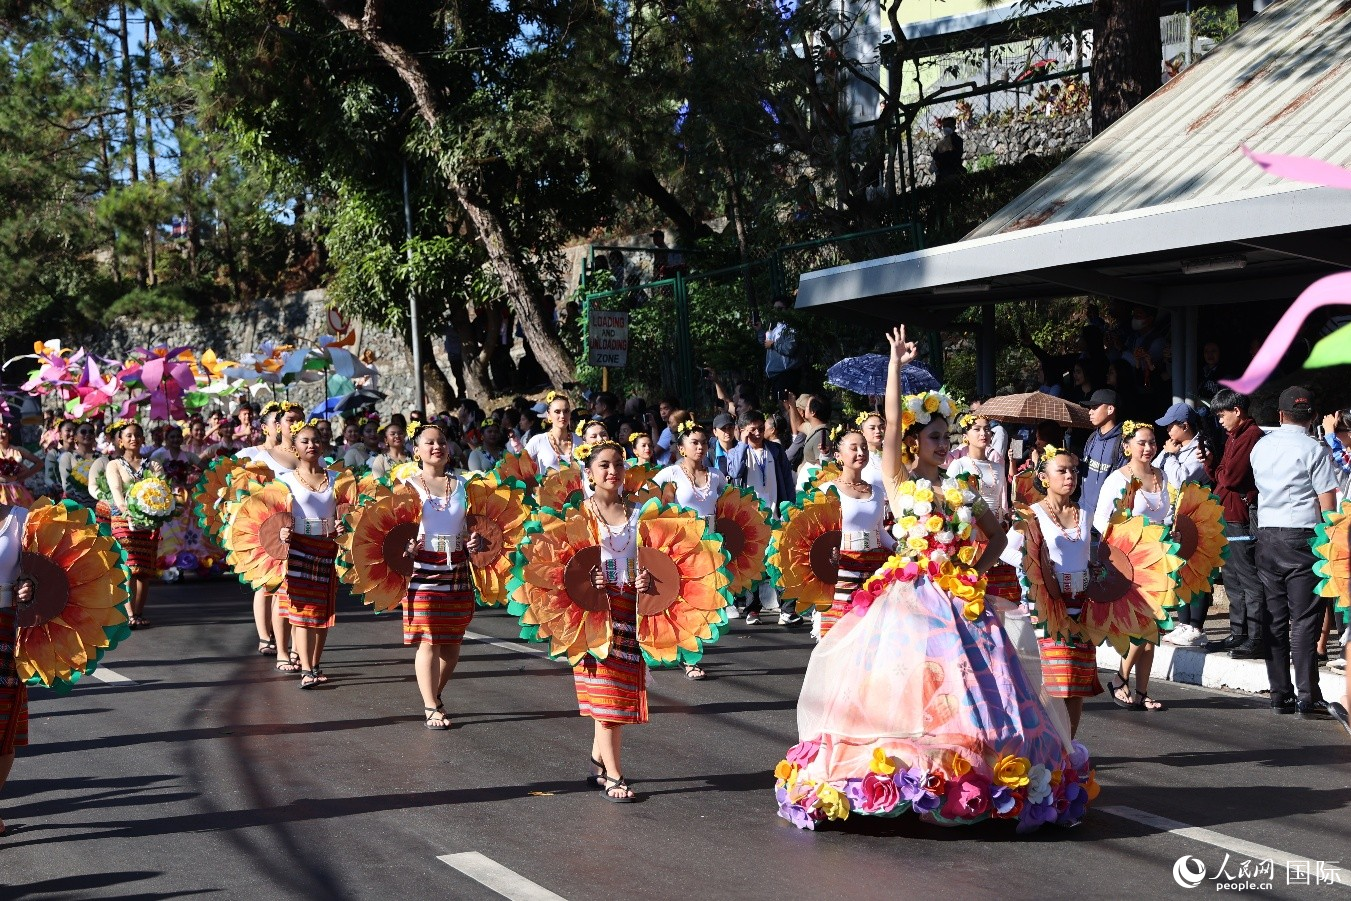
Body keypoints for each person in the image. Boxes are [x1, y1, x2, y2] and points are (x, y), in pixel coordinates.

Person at [775, 326, 1090, 831]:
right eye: (935, 437)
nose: (944, 445)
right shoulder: (899, 480)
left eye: (947, 438)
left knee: (973, 687)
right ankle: (905, 775)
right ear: (913, 442)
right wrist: (896, 363)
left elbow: (995, 536)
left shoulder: (963, 487)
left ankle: (967, 776)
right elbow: (894, 415)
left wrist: (971, 570)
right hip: (906, 597)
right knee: (901, 686)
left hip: (958, 598)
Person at [1249, 387, 1338, 719]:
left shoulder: (1262, 446)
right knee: (1304, 619)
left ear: (1281, 415)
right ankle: (1306, 694)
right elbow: (1328, 502)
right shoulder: (1315, 448)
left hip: (1267, 534)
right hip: (1302, 535)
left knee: (1275, 616)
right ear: (1313, 417)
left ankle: (1279, 694)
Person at [575, 440, 656, 802]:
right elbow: (564, 565)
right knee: (608, 699)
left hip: (630, 612)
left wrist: (647, 579)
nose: (612, 472)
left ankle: (598, 758)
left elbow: (656, 558)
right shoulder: (579, 516)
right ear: (590, 472)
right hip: (594, 614)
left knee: (619, 695)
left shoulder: (640, 512)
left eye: (618, 465)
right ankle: (614, 775)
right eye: (604, 465)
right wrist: (585, 579)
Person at [1003, 447, 1100, 738]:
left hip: (1083, 607)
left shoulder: (1085, 512)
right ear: (1044, 478)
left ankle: (1069, 749)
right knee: (1055, 682)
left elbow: (1096, 551)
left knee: (1077, 684)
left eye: (1073, 470)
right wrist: (1035, 570)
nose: (1070, 475)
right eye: (1062, 470)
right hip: (1047, 609)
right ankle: (1048, 745)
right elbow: (1008, 551)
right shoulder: (1031, 516)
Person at [400, 421, 487, 728]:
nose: (437, 447)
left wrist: (472, 539)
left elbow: (467, 527)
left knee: (452, 643)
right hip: (422, 569)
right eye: (429, 443)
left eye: (441, 442)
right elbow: (396, 528)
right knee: (428, 639)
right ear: (417, 451)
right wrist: (405, 547)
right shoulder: (406, 485)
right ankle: (430, 705)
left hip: (457, 567)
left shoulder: (463, 485)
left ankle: (434, 694)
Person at [1093, 421, 1167, 712]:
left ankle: (1142, 691)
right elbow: (1101, 520)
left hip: (1160, 558)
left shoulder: (1161, 475)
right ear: (1127, 446)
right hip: (1131, 562)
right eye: (1141, 443)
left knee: (1153, 631)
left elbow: (1168, 513)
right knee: (1145, 625)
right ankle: (1120, 677)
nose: (1148, 448)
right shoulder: (1118, 479)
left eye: (1151, 442)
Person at [654, 423, 728, 674]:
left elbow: (724, 506)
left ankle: (690, 654)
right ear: (682, 448)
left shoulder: (716, 476)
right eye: (694, 442)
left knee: (703, 603)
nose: (700, 447)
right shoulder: (670, 474)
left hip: (709, 546)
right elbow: (653, 506)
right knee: (681, 602)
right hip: (679, 548)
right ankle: (682, 653)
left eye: (704, 442)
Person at [278, 422, 343, 689]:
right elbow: (274, 515)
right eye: (304, 441)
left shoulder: (337, 479)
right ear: (295, 447)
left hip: (327, 548)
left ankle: (315, 664)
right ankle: (306, 669)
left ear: (323, 445)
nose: (311, 446)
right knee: (302, 610)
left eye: (315, 441)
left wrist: (342, 525)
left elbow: (347, 512)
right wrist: (281, 531)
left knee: (322, 611)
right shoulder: (285, 479)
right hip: (298, 549)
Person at [1203, 388, 1266, 658]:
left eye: (1222, 415)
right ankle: (1238, 632)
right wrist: (1213, 466)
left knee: (1248, 578)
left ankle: (1256, 637)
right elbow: (1223, 476)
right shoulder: (1233, 436)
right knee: (1231, 578)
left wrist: (1217, 470)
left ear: (1237, 411)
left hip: (1240, 516)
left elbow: (1230, 478)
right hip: (1227, 513)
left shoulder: (1251, 436)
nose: (1220, 420)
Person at [818, 425, 893, 638]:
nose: (861, 453)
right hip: (842, 569)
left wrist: (900, 546)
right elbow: (819, 535)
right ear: (838, 455)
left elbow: (879, 531)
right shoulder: (826, 491)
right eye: (854, 448)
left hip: (876, 568)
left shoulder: (877, 492)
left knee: (872, 630)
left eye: (864, 448)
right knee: (840, 630)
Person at [723, 410, 796, 625]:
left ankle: (787, 609)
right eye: (752, 429)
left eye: (760, 429)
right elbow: (735, 472)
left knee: (780, 560)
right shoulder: (737, 451)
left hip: (775, 512)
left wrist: (789, 509)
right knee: (753, 563)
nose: (757, 433)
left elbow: (787, 482)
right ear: (742, 430)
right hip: (750, 517)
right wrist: (744, 444)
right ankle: (753, 608)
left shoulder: (775, 450)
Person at [1156, 403, 1212, 648]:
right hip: (1175, 518)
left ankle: (1196, 626)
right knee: (1179, 570)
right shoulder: (1173, 448)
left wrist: (1170, 455)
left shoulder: (1201, 449)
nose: (1168, 430)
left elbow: (1180, 480)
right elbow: (1154, 470)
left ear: (1185, 426)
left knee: (1196, 572)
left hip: (1196, 519)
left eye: (1171, 425)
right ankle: (1183, 622)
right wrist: (1167, 454)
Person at [105, 422, 166, 629]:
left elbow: (161, 491)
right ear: (120, 441)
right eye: (129, 436)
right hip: (123, 520)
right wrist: (128, 512)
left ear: (143, 439)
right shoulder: (114, 465)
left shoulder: (153, 465)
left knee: (144, 569)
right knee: (129, 566)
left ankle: (139, 611)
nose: (133, 439)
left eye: (138, 435)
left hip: (149, 521)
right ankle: (130, 613)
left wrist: (153, 513)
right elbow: (116, 492)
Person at [1, 502, 35, 838]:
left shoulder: (21, 518)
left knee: (4, 723)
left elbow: (42, 569)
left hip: (6, 629)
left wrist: (29, 585)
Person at [1079, 389, 1125, 529]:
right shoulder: (1092, 438)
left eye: (1094, 407)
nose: (1090, 412)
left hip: (1107, 523)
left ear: (1110, 409)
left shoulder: (1123, 443)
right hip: (1083, 516)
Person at [525, 392, 574, 473]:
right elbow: (520, 467)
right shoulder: (538, 440)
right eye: (557, 412)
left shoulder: (579, 441)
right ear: (549, 415)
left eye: (566, 411)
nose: (562, 416)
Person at [763, 301, 802, 399]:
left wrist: (773, 345)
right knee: (779, 405)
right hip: (775, 374)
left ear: (787, 310)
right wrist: (760, 331)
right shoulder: (775, 327)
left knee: (787, 405)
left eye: (780, 309)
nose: (776, 312)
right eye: (775, 309)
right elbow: (766, 345)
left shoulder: (791, 327)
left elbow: (789, 348)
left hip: (786, 373)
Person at [0, 425, 42, 507]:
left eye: (3, 431)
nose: (1, 434)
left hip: (17, 491)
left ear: (10, 435)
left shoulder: (18, 450)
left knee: (23, 516)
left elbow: (39, 463)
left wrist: (22, 476)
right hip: (1, 492)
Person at [931, 116, 964, 183]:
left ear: (954, 127)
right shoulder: (942, 142)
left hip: (952, 172)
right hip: (944, 173)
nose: (946, 128)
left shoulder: (957, 140)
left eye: (948, 125)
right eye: (944, 126)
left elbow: (956, 155)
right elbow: (935, 156)